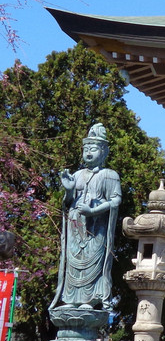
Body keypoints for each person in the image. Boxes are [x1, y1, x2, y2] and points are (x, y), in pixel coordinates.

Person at [50, 123, 122, 309]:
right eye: (86, 149)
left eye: (93, 149)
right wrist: (68, 191)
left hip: (95, 228)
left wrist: (93, 211)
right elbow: (67, 204)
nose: (88, 153)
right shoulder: (77, 174)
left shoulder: (109, 175)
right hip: (75, 227)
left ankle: (91, 299)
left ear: (104, 151)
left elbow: (115, 201)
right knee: (73, 263)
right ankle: (71, 299)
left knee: (92, 262)